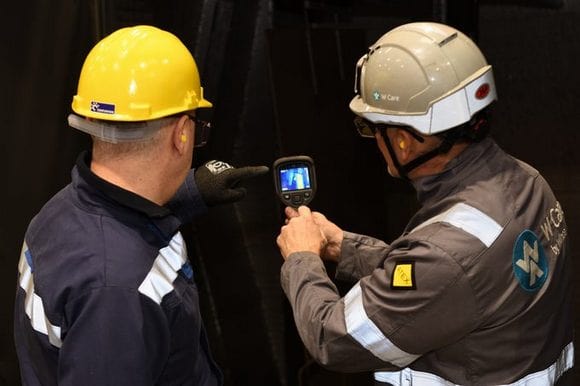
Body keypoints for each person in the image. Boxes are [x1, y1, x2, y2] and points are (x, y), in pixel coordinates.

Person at [276, 22, 574, 385]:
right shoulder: (529, 183)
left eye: (372, 127)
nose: (373, 140)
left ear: (403, 140)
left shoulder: (446, 253)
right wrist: (345, 246)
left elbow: (333, 339)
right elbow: (451, 280)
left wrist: (301, 259)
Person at [14, 25, 268, 385]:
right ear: (182, 133)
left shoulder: (56, 215)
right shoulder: (118, 292)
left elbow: (121, 225)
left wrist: (191, 191)